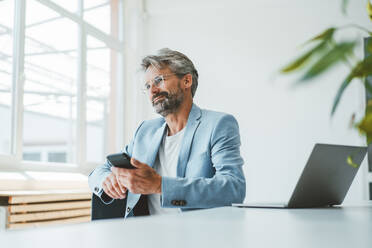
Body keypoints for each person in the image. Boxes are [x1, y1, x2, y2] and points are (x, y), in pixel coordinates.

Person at [88, 48, 246, 218]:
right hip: (142, 234)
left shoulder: (218, 124)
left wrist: (160, 185)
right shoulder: (145, 131)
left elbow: (233, 188)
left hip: (197, 235)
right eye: (147, 86)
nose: (152, 91)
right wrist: (106, 179)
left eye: (159, 80)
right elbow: (101, 170)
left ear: (186, 81)